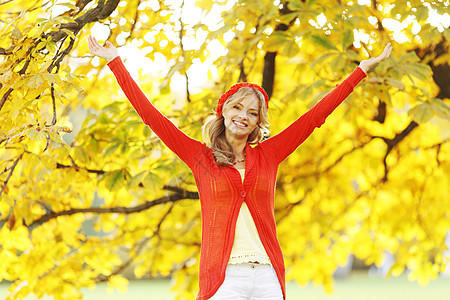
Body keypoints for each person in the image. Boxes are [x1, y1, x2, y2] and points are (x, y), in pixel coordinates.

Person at [87, 35, 392, 299]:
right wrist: (115, 62)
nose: (243, 116)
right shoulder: (200, 157)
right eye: (237, 107)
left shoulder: (269, 154)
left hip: (267, 276)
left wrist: (360, 72)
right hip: (224, 278)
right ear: (223, 112)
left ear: (259, 122)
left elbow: (314, 117)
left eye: (252, 112)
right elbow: (151, 115)